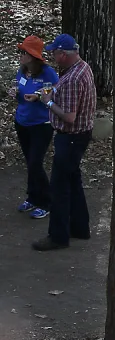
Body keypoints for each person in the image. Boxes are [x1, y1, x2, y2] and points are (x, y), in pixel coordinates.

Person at [32, 34, 96, 252]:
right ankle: (80, 227)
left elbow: (69, 116)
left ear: (63, 54)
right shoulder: (82, 68)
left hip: (69, 137)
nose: (51, 56)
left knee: (59, 188)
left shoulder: (71, 79)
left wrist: (48, 102)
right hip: (81, 135)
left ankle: (58, 236)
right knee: (73, 182)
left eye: (54, 53)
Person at [10, 36, 57, 220]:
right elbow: (18, 88)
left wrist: (38, 95)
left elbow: (53, 91)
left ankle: (46, 202)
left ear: (33, 56)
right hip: (22, 122)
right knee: (30, 161)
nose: (21, 55)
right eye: (21, 52)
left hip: (41, 125)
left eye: (24, 52)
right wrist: (14, 92)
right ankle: (32, 196)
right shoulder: (22, 72)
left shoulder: (47, 73)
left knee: (35, 162)